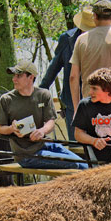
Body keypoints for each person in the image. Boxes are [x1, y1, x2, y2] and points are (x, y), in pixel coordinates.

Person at [0, 60, 87, 170]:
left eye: (18, 76)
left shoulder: (43, 95)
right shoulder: (6, 100)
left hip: (46, 145)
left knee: (85, 164)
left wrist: (42, 131)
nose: (14, 79)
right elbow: (0, 128)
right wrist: (12, 128)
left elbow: (50, 122)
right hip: (27, 155)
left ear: (31, 77)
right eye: (14, 76)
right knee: (74, 164)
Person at [39, 7, 95, 140]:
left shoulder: (104, 39)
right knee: (76, 142)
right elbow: (54, 66)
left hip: (98, 99)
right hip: (72, 100)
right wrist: (41, 91)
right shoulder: (67, 39)